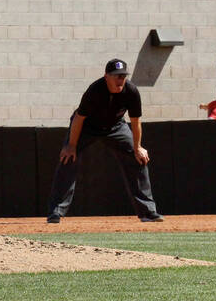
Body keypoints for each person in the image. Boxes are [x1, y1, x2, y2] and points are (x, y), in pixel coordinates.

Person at [46, 58, 163, 223]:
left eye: (123, 76)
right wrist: (71, 145)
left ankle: (148, 212)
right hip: (87, 126)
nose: (120, 79)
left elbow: (135, 121)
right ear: (106, 76)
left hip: (116, 126)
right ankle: (56, 212)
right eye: (117, 76)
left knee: (138, 157)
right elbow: (79, 118)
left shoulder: (131, 91)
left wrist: (137, 147)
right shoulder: (95, 90)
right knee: (68, 157)